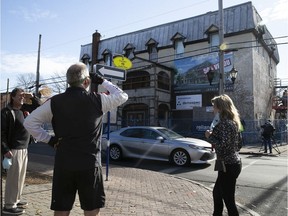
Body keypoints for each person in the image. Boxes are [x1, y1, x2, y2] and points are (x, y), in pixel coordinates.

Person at [23, 62, 128, 216]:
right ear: (86, 82)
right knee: (91, 209)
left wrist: (50, 140)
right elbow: (122, 95)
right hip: (90, 164)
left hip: (64, 164)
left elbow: (29, 122)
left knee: (61, 208)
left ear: (68, 81)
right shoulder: (98, 100)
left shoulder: (55, 102)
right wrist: (102, 81)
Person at [1, 88, 41, 215]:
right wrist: (5, 149)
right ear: (12, 97)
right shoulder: (6, 112)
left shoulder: (24, 110)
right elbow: (1, 133)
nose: (22, 98)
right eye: (20, 95)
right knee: (13, 179)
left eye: (23, 96)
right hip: (13, 150)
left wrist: (32, 96)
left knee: (20, 178)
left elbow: (39, 107)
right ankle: (8, 206)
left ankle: (16, 200)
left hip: (24, 148)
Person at [205, 94, 242, 216]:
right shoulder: (232, 122)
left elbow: (224, 146)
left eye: (214, 107)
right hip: (227, 163)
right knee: (217, 194)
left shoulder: (226, 123)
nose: (212, 109)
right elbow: (237, 145)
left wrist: (210, 137)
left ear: (220, 108)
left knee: (228, 200)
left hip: (229, 165)